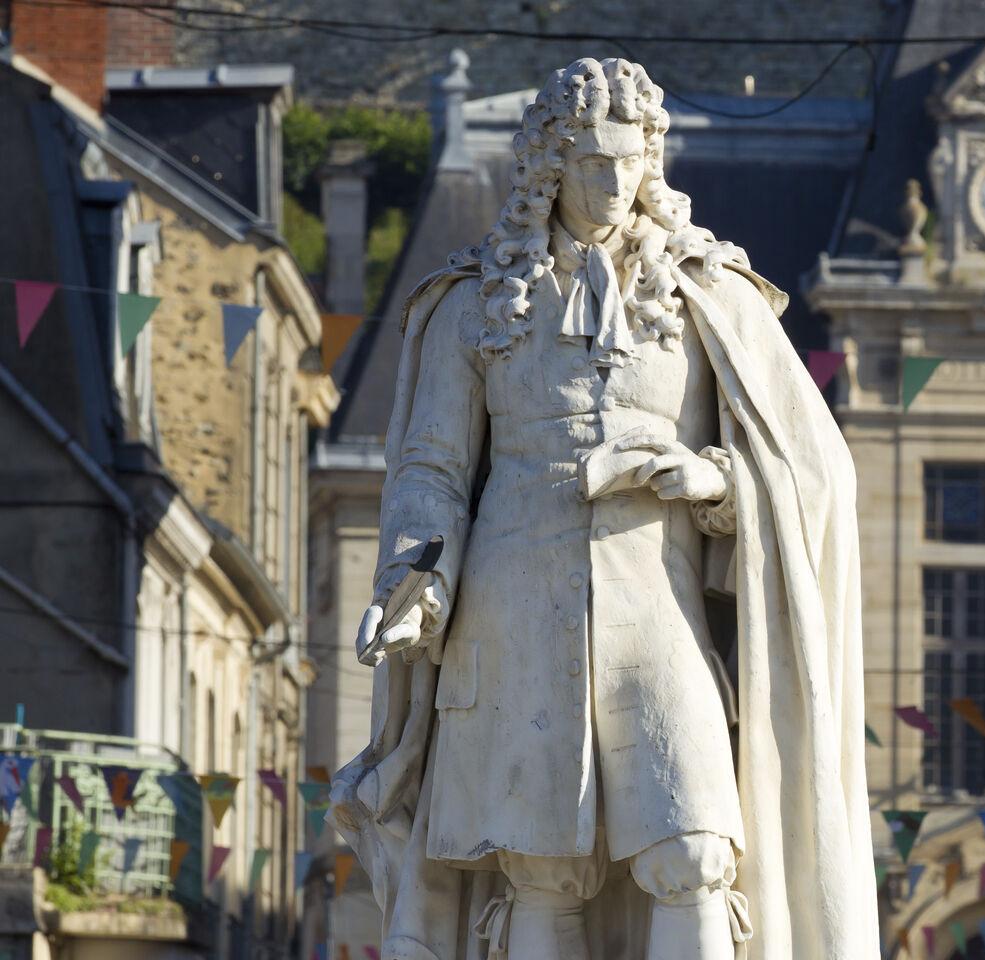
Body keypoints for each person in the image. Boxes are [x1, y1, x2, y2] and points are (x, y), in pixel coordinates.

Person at [329, 57, 878, 959]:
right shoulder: (473, 303)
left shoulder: (710, 295)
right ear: (550, 166)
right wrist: (414, 579)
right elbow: (431, 468)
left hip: (658, 606)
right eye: (591, 161)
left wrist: (715, 482)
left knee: (694, 851)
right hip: (513, 608)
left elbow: (813, 471)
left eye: (630, 161)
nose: (614, 183)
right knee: (542, 870)